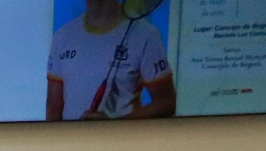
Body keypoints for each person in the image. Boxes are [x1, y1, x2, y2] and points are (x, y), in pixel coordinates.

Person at [47, 0, 175, 121]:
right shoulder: (62, 36)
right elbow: (53, 106)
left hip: (121, 142)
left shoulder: (146, 35)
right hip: (71, 142)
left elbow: (166, 102)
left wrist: (114, 125)